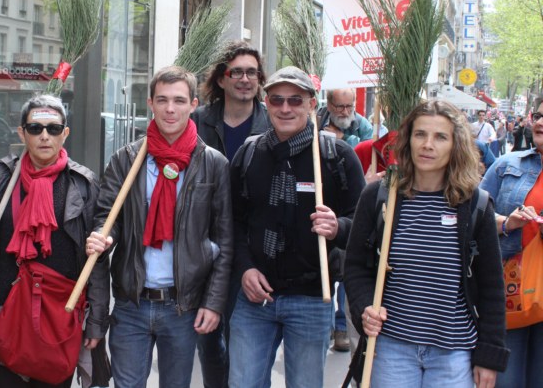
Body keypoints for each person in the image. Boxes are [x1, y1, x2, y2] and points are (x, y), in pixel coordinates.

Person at [86, 66, 233, 388]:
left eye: (179, 101)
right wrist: (104, 237)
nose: (170, 109)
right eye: (162, 100)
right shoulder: (126, 160)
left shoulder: (213, 164)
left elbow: (224, 241)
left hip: (183, 306)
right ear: (150, 103)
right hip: (130, 303)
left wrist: (213, 302)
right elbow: (107, 217)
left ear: (194, 105)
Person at [346, 100, 508, 388]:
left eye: (440, 137)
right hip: (391, 347)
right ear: (408, 140)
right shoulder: (380, 197)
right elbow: (356, 267)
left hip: (454, 352)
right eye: (420, 134)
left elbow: (492, 285)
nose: (428, 145)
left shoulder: (475, 205)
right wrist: (364, 308)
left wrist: (489, 356)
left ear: (455, 145)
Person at [0, 94, 107, 388]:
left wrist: (96, 321)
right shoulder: (0, 180)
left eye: (53, 129)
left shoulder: (84, 186)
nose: (44, 136)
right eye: (35, 129)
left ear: (65, 133)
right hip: (0, 312)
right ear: (22, 133)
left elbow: (96, 260)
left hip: (58, 318)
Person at [227, 66, 366, 388]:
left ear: (311, 104)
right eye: (277, 100)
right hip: (253, 298)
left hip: (311, 297)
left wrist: (338, 227)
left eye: (294, 100)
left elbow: (361, 220)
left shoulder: (337, 156)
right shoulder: (249, 153)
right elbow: (232, 221)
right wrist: (245, 268)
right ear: (266, 103)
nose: (285, 108)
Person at [191, 40, 269, 388]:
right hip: (204, 243)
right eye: (235, 71)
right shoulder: (198, 121)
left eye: (251, 72)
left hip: (252, 245)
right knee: (209, 338)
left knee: (246, 343)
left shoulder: (272, 121)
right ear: (221, 79)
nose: (244, 79)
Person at [480, 99, 543, 388]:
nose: (540, 122)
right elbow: (473, 214)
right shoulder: (507, 165)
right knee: (507, 380)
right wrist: (507, 223)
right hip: (511, 291)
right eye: (539, 115)